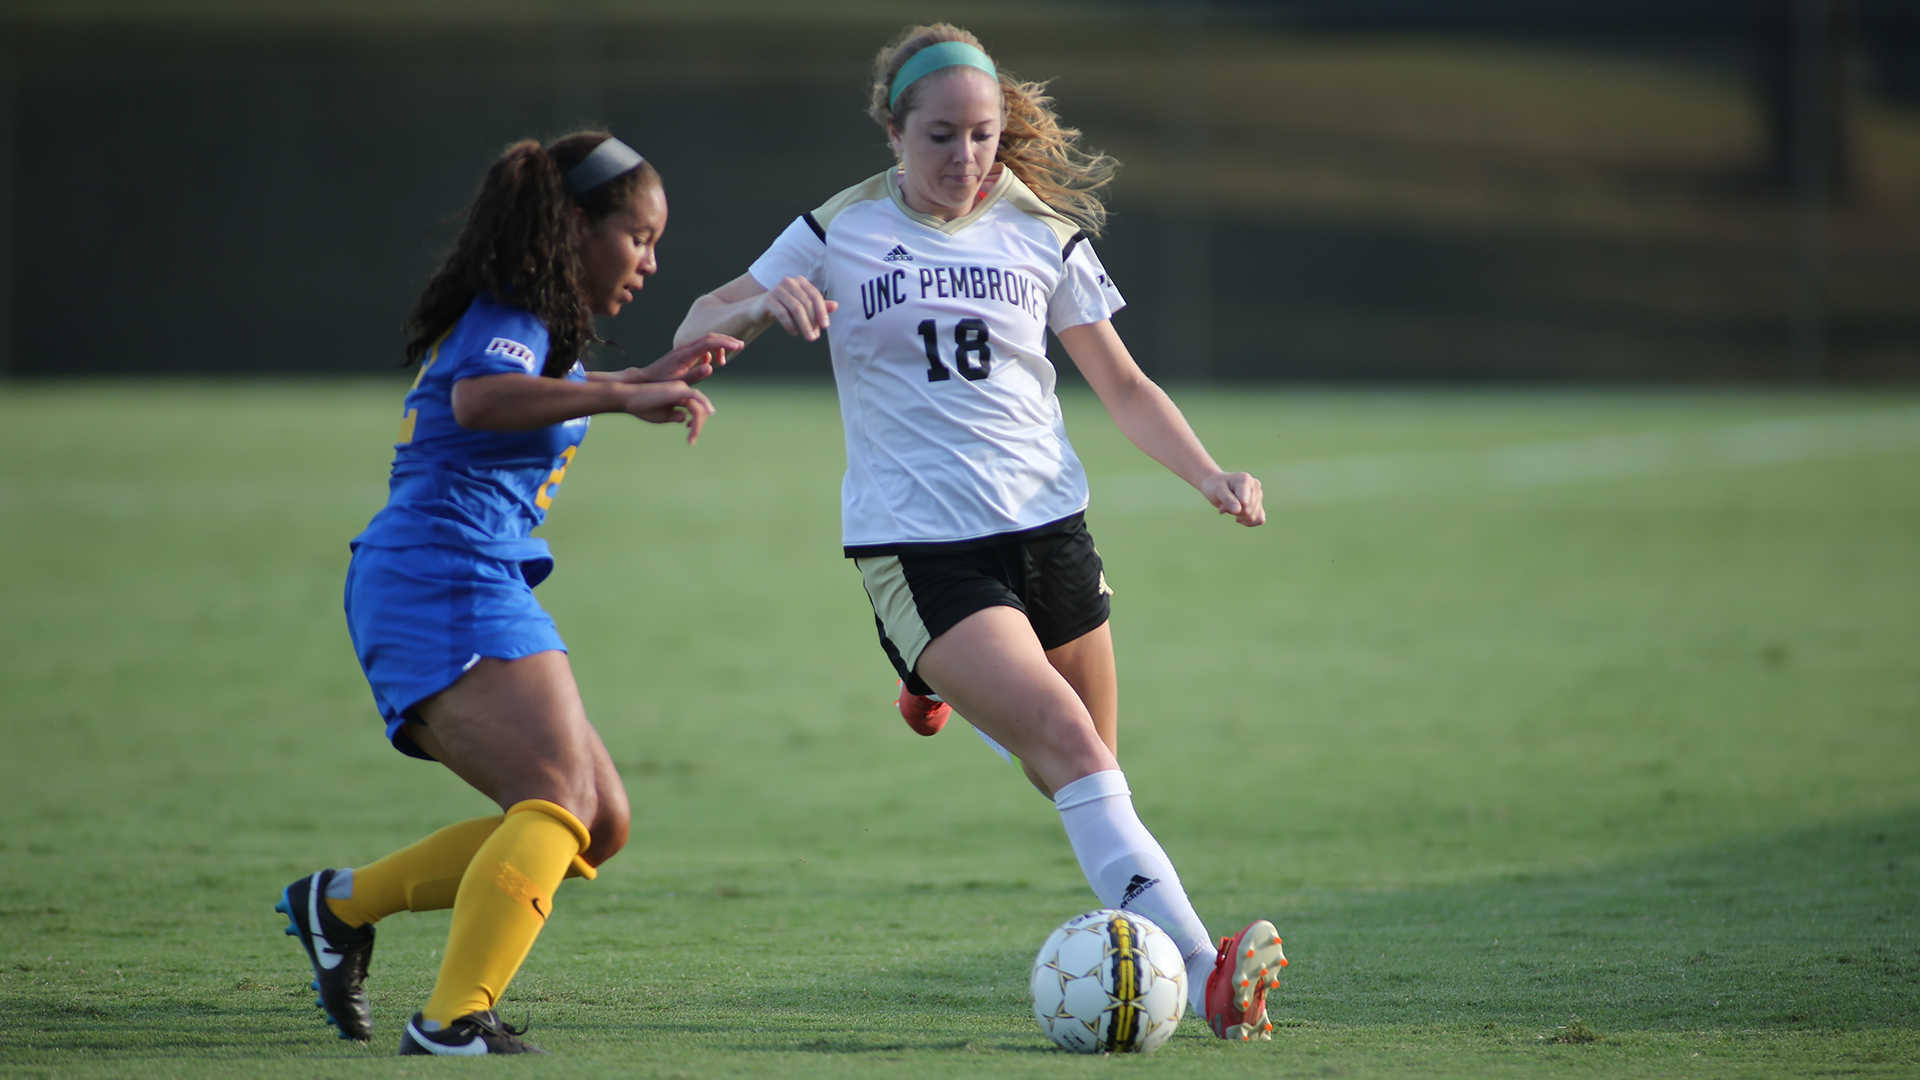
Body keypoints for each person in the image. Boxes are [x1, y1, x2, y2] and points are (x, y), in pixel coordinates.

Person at [674, 25, 1287, 1042]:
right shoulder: (839, 229)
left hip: (1051, 533)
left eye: (983, 137)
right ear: (891, 130)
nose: (965, 159)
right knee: (1065, 742)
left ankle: (928, 681)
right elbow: (698, 321)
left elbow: (1123, 385)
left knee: (1086, 767)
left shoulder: (1036, 228)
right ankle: (1200, 968)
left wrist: (1209, 472)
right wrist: (759, 307)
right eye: (941, 137)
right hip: (920, 547)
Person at [275, 132, 740, 1056]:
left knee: (597, 825)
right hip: (441, 575)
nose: (649, 261)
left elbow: (535, 392)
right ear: (574, 225)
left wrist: (648, 381)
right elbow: (482, 402)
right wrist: (616, 393)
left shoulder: (530, 322)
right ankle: (452, 1019)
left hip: (461, 575)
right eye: (638, 237)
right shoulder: (514, 308)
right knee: (559, 798)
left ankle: (340, 906)